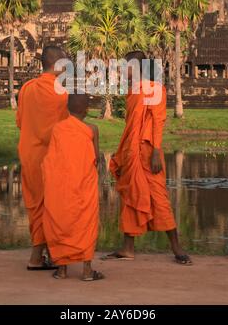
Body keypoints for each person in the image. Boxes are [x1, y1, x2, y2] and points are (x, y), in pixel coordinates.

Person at [103, 51, 192, 265]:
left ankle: (176, 248)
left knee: (159, 199)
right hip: (132, 152)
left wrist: (155, 151)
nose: (124, 70)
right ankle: (127, 248)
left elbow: (157, 121)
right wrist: (122, 154)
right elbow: (131, 126)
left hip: (148, 151)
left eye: (127, 66)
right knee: (130, 196)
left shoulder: (155, 89)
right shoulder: (133, 91)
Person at [16, 45, 69, 270]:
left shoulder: (27, 88)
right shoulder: (61, 93)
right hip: (50, 158)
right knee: (51, 206)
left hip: (28, 154)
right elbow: (65, 129)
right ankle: (40, 257)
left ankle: (41, 255)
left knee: (36, 206)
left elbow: (20, 122)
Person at [42, 93, 104, 281]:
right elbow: (95, 158)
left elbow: (52, 160)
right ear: (87, 110)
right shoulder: (92, 129)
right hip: (83, 185)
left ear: (68, 109)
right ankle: (87, 271)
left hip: (60, 187)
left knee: (61, 220)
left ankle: (62, 269)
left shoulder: (57, 129)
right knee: (85, 222)